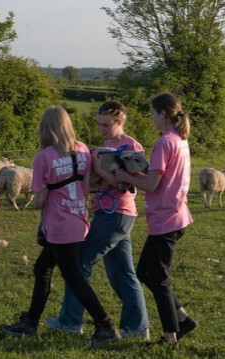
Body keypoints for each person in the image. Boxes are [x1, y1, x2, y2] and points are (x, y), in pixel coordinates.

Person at [0, 106, 121, 346]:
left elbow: (40, 201)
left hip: (58, 224)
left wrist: (48, 193)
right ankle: (30, 322)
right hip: (77, 219)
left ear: (45, 128)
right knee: (42, 268)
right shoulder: (83, 149)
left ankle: (105, 325)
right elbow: (86, 187)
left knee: (73, 277)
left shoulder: (44, 157)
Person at [45, 100, 150, 339]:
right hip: (111, 214)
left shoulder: (130, 146)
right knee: (123, 274)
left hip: (116, 214)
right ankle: (137, 328)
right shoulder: (105, 145)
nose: (102, 129)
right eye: (99, 124)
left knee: (80, 263)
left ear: (120, 122)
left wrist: (98, 168)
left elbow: (126, 185)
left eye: (106, 124)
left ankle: (70, 322)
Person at [115, 93, 197, 347]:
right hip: (175, 215)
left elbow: (151, 184)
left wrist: (124, 176)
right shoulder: (179, 140)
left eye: (152, 113)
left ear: (163, 114)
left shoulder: (164, 143)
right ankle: (182, 319)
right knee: (146, 272)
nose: (150, 118)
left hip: (166, 219)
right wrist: (136, 170)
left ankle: (171, 336)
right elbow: (159, 177)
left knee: (158, 278)